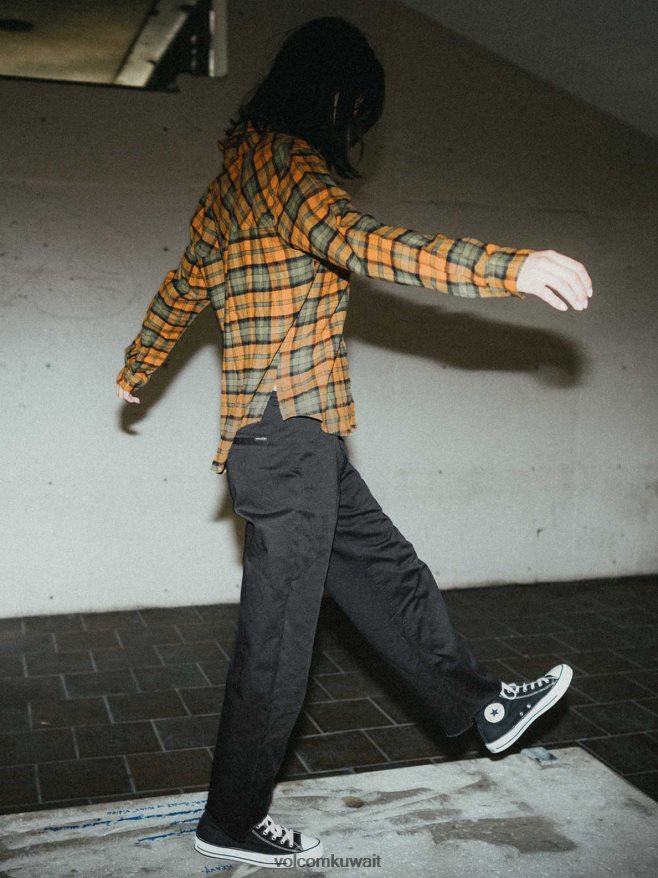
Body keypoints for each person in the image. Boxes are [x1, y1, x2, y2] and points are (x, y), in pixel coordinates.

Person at [115, 15, 591, 871]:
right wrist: (506, 268)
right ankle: (231, 820)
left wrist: (136, 367)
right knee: (279, 642)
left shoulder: (234, 178)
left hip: (302, 440)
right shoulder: (289, 168)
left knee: (389, 573)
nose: (357, 128)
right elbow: (364, 243)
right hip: (287, 442)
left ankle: (480, 706)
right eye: (356, 109)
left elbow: (184, 285)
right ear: (333, 96)